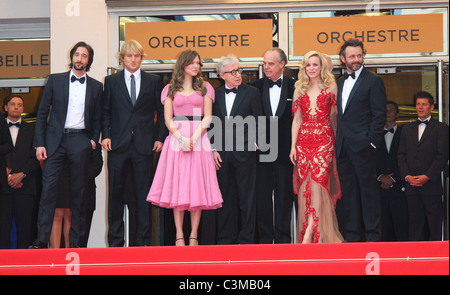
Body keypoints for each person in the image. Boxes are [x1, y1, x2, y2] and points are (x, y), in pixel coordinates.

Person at [30, 41, 103, 249]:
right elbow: (43, 113)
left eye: (84, 56)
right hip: (55, 142)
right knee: (48, 192)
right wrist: (39, 144)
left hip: (80, 141)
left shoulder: (97, 86)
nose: (80, 58)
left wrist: (92, 140)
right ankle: (41, 240)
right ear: (71, 57)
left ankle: (77, 242)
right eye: (77, 54)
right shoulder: (55, 80)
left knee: (79, 194)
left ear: (89, 61)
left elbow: (97, 118)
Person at [147, 49, 223, 246]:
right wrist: (181, 138)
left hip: (199, 138)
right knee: (178, 187)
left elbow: (208, 116)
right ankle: (179, 235)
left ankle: (194, 235)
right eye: (193, 63)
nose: (196, 66)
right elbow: (167, 118)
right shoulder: (169, 89)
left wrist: (194, 138)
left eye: (198, 63)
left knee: (197, 187)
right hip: (176, 140)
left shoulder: (206, 87)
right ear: (183, 64)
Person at [102, 40, 167, 247]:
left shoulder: (153, 81)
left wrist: (160, 137)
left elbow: (162, 110)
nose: (133, 59)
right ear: (122, 58)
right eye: (129, 56)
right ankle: (115, 242)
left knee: (143, 195)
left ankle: (143, 242)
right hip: (117, 146)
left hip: (144, 146)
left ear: (142, 58)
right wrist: (106, 135)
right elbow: (106, 111)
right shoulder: (111, 81)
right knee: (115, 196)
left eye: (137, 56)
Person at [289, 51, 343, 243]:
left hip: (324, 142)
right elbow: (296, 120)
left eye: (315, 64)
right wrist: (293, 147)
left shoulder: (332, 87)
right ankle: (313, 234)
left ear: (322, 67)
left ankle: (310, 234)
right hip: (303, 143)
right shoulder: (299, 89)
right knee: (307, 188)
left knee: (320, 186)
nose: (311, 68)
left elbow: (337, 117)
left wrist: (337, 143)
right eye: (308, 65)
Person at [335, 39, 386, 242]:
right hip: (344, 148)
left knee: (368, 193)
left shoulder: (373, 81)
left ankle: (373, 236)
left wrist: (372, 142)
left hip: (363, 146)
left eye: (359, 56)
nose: (356, 60)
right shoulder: (339, 82)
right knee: (348, 194)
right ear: (343, 59)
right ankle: (353, 236)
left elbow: (379, 114)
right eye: (352, 56)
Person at [211, 54, 264, 244]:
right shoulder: (214, 95)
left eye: (239, 70)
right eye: (232, 72)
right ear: (222, 75)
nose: (237, 75)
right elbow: (210, 124)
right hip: (222, 155)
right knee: (225, 197)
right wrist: (213, 148)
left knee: (247, 198)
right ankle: (226, 239)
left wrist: (256, 143)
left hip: (245, 153)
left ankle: (247, 239)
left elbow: (260, 120)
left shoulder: (251, 93)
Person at [250, 48, 296, 244]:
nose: (266, 67)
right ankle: (265, 240)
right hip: (261, 153)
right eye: (264, 63)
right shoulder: (254, 87)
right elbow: (249, 117)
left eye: (270, 63)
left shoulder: (296, 87)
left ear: (282, 64)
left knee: (285, 198)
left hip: (287, 153)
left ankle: (284, 240)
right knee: (262, 198)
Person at [398, 91, 449, 241]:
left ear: (431, 107)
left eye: (424, 104)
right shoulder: (407, 129)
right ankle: (414, 258)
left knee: (434, 225)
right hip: (411, 185)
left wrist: (427, 176)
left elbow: (442, 156)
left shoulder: (441, 128)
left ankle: (436, 257)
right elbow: (401, 155)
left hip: (431, 185)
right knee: (414, 225)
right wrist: (407, 177)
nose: (420, 107)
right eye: (418, 104)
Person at [0, 95, 40, 249]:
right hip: (3, 186)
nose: (16, 107)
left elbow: (37, 157)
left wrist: (22, 174)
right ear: (5, 107)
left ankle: (25, 265)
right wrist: (8, 176)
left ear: (23, 108)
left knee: (26, 229)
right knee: (2, 228)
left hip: (26, 186)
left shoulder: (33, 129)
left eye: (20, 104)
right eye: (12, 104)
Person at [376, 101, 408, 241]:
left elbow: (410, 158)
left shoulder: (406, 134)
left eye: (391, 110)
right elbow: (367, 160)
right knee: (382, 232)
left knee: (402, 231)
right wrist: (380, 177)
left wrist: (393, 178)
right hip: (379, 191)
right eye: (385, 110)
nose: (388, 112)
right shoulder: (374, 134)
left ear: (397, 114)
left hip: (401, 190)